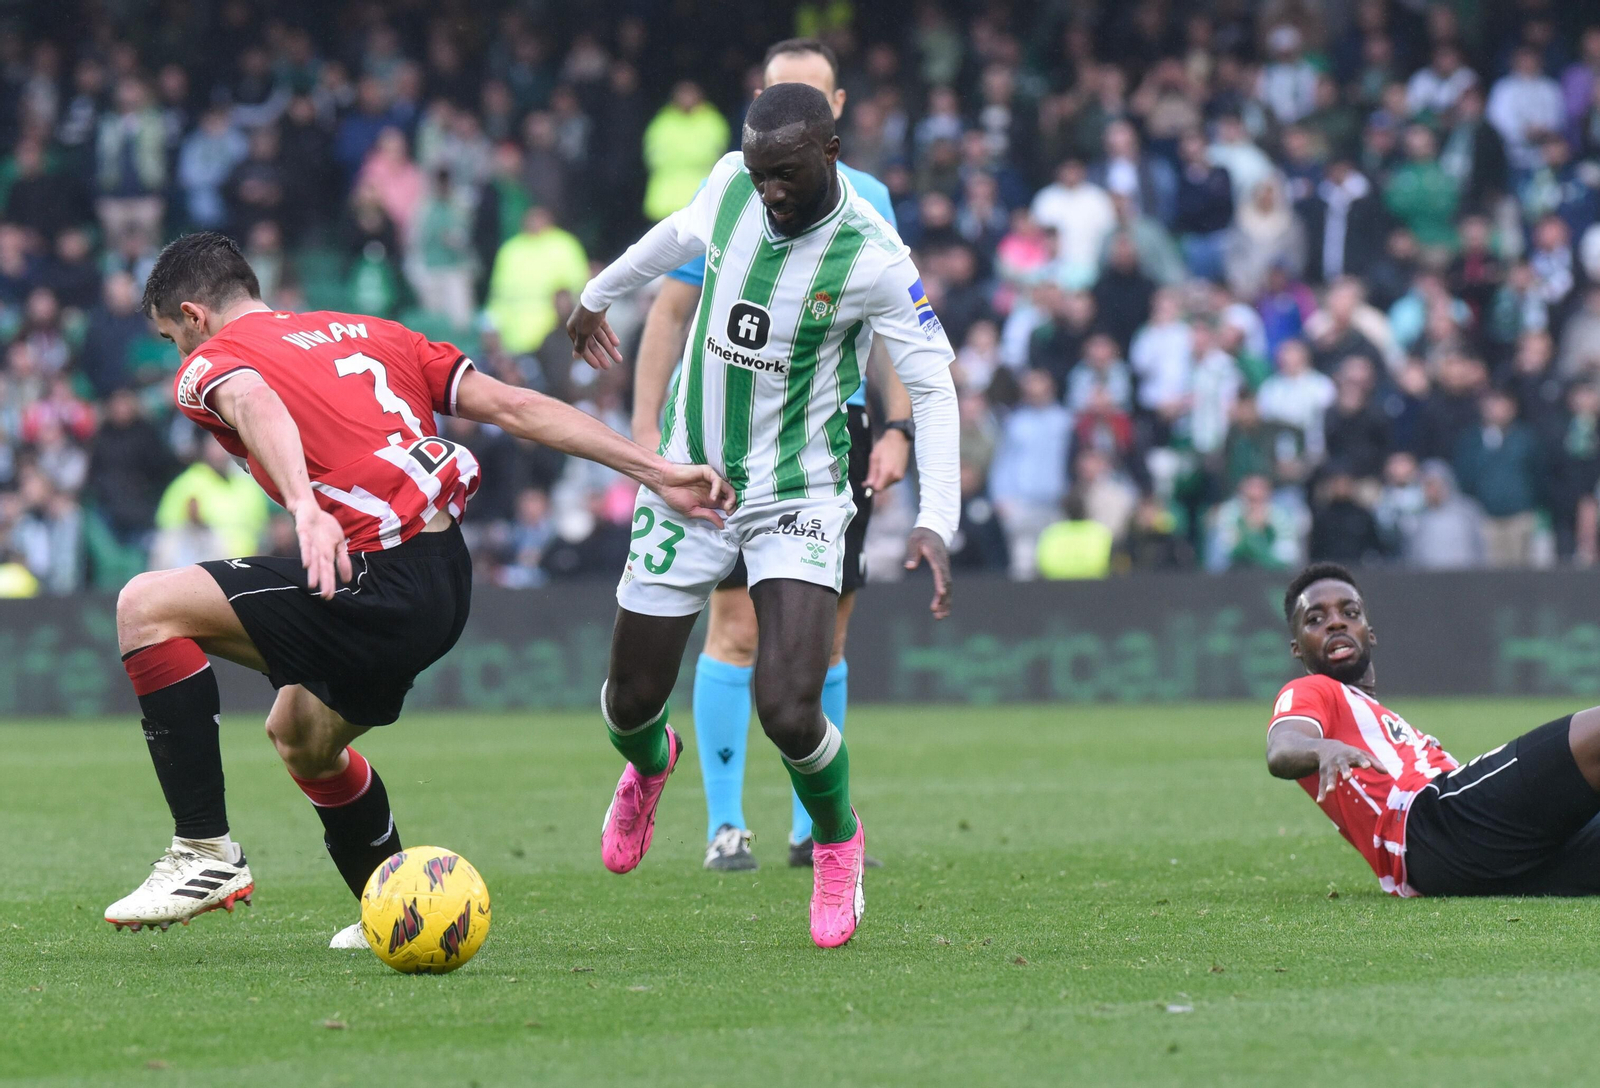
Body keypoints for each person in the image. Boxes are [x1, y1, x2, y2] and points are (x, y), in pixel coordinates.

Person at [103, 232, 731, 945]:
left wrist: (304, 507)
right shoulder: (374, 333)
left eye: (173, 338)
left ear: (194, 315)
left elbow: (252, 399)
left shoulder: (212, 361)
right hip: (442, 578)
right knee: (301, 736)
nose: (179, 356)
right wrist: (655, 470)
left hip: (375, 574)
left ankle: (203, 850)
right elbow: (515, 407)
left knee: (145, 607)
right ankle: (397, 911)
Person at [567, 82, 959, 949]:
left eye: (785, 174)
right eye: (759, 173)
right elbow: (678, 234)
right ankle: (651, 766)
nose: (769, 190)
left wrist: (938, 516)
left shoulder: (873, 256)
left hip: (798, 494)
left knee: (788, 707)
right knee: (629, 703)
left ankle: (837, 841)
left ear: (830, 152)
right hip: (688, 479)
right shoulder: (732, 183)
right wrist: (597, 294)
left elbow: (933, 386)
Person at [629, 38, 914, 873]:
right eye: (775, 91)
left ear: (836, 111)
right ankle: (726, 825)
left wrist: (896, 427)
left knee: (824, 642)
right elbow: (671, 311)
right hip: (727, 438)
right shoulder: (734, 187)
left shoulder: (870, 203)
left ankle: (809, 828)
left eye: (808, 92)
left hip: (829, 441)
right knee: (733, 627)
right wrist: (646, 434)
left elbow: (893, 326)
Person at [1268, 563, 1600, 896]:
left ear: (1370, 632)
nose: (1336, 622)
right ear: (1296, 647)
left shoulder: (1375, 716)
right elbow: (1282, 747)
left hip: (1466, 862)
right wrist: (1323, 748)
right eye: (1315, 619)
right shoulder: (1312, 689)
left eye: (1350, 613)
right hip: (1431, 825)